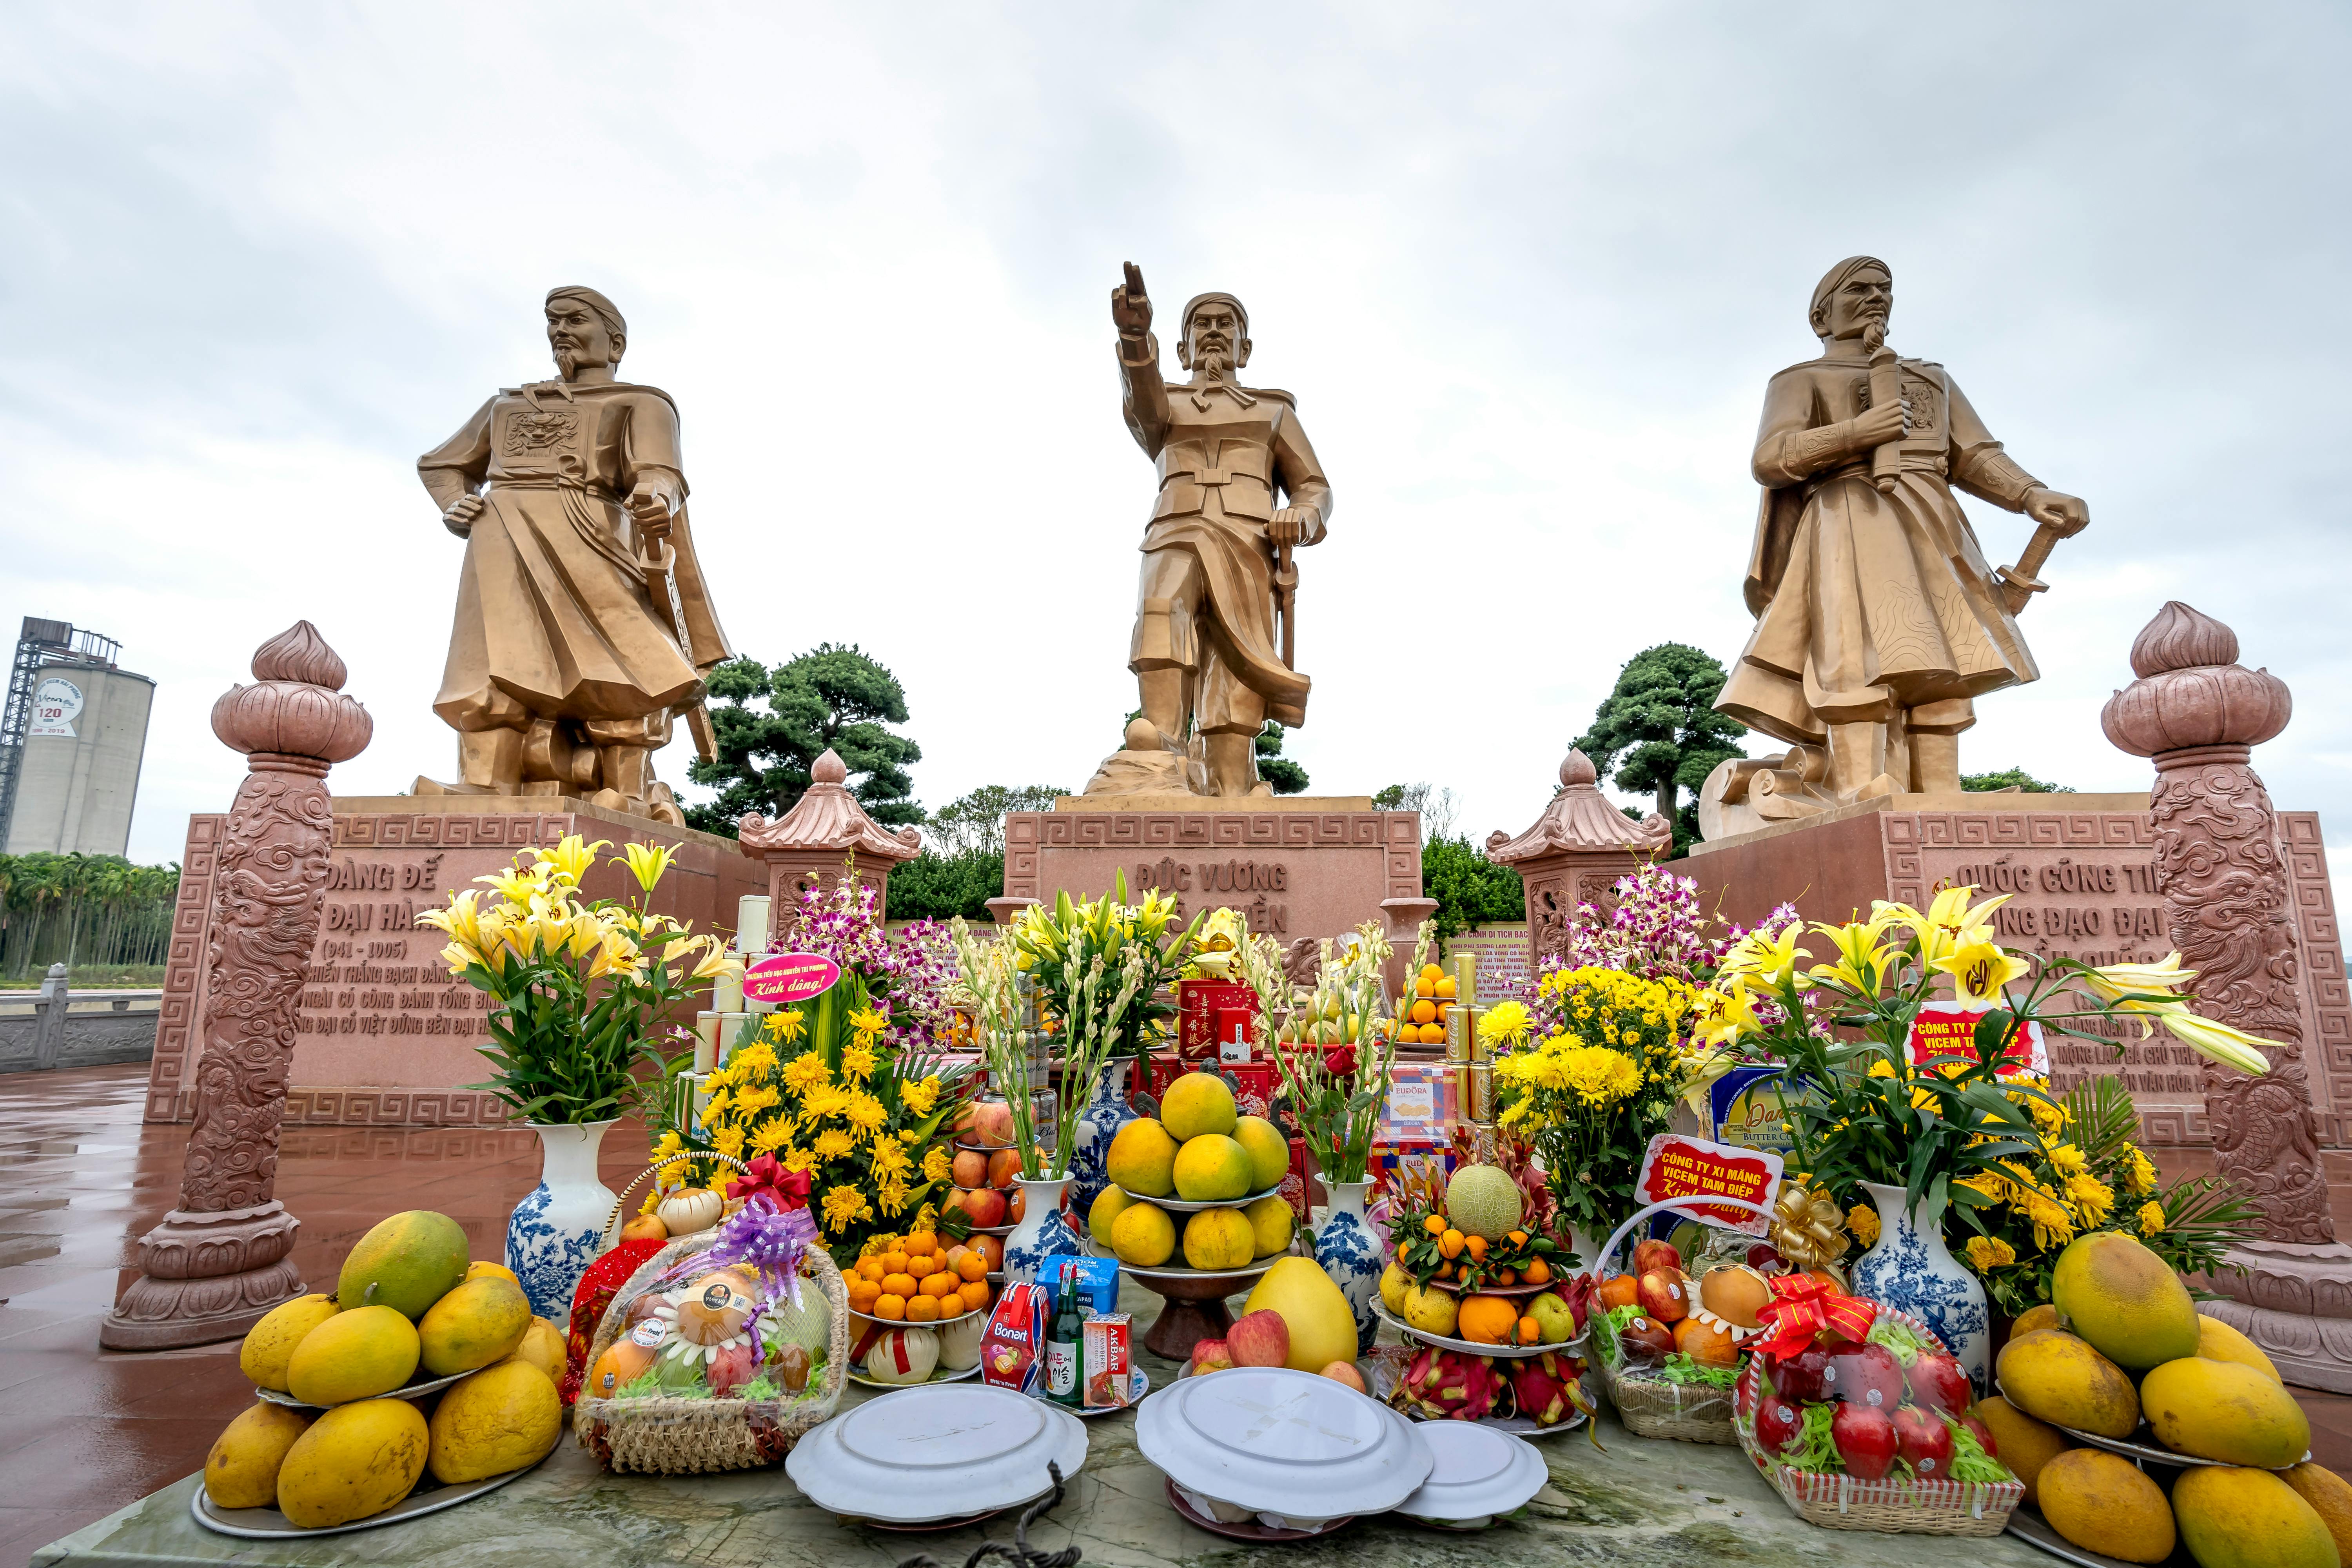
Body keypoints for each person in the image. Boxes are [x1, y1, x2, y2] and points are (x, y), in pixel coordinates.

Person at [1715, 256, 2088, 804]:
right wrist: (1856, 433)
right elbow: (1772, 458)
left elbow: (1976, 456)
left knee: (1946, 660)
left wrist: (2032, 493)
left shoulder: (1929, 379)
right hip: (1849, 517)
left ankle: (1941, 792)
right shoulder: (1800, 380)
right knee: (1855, 656)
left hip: (1933, 522)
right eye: (1859, 290)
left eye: (1884, 290)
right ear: (1822, 317)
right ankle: (1859, 787)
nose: (1875, 298)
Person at [415, 286, 730, 822]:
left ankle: (626, 787)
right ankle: (489, 781)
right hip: (501, 537)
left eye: (575, 320)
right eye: (553, 322)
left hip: (591, 533)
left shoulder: (642, 402)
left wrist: (654, 498)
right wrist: (456, 504)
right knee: (492, 662)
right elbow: (441, 465)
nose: (560, 330)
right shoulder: (507, 406)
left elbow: (660, 474)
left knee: (621, 659)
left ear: (616, 342)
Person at [1091, 265, 1332, 798]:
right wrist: (1135, 338)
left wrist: (1303, 517)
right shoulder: (1166, 405)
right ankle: (1162, 749)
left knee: (1234, 662)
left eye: (1227, 323)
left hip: (1248, 542)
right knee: (1161, 612)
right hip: (1175, 529)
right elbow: (1143, 399)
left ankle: (1229, 774)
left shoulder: (1273, 412)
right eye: (1203, 324)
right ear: (1182, 349)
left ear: (1246, 349)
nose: (1216, 331)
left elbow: (1315, 487)